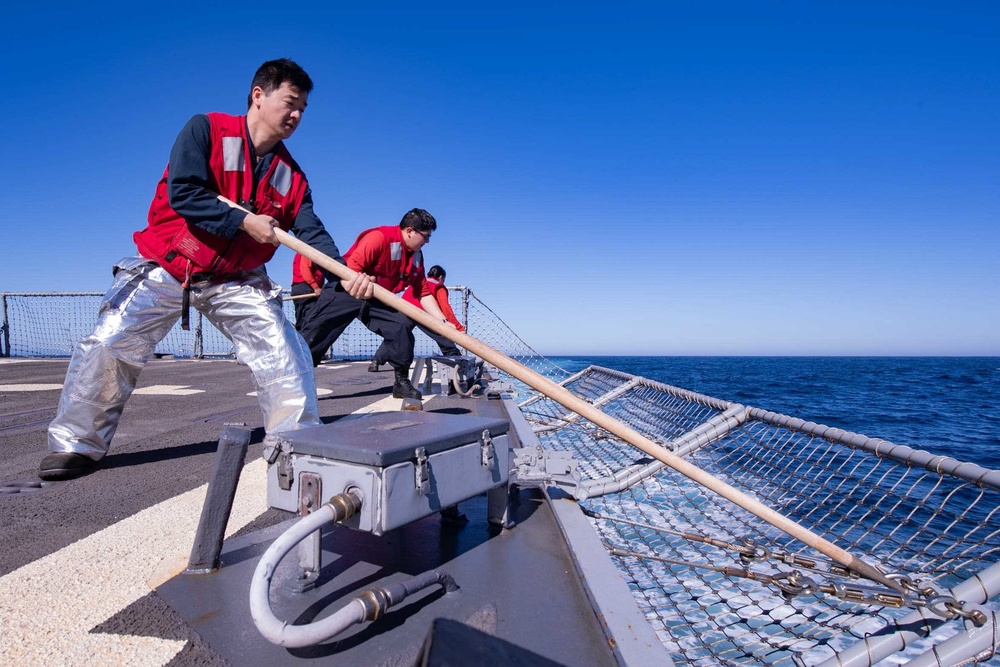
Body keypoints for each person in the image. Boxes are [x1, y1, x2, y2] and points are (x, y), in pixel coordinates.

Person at [38, 58, 375, 481]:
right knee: (108, 344)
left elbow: (311, 231)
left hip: (235, 279)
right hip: (169, 266)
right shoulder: (206, 130)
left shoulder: (293, 177)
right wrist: (243, 221)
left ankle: (297, 445)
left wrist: (344, 273)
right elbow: (184, 192)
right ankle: (76, 446)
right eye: (290, 103)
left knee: (286, 353)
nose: (296, 116)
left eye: (303, 109)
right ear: (258, 95)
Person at [296, 209, 455, 400]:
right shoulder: (379, 238)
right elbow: (352, 268)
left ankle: (401, 382)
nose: (427, 242)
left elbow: (423, 293)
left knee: (401, 326)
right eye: (426, 236)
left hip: (377, 298)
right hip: (348, 289)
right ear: (410, 231)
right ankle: (295, 381)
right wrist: (362, 281)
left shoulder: (417, 257)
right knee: (314, 333)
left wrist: (443, 322)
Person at [369, 264, 464, 372]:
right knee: (441, 334)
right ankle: (456, 358)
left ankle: (376, 361)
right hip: (423, 312)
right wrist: (458, 327)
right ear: (441, 277)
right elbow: (446, 308)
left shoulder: (419, 281)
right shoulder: (438, 285)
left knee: (396, 335)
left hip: (404, 309)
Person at [290, 253, 324, 328]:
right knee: (310, 321)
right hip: (306, 288)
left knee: (302, 320)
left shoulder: (301, 251)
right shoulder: (307, 250)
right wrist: (315, 287)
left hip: (298, 288)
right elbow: (304, 268)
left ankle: (301, 336)